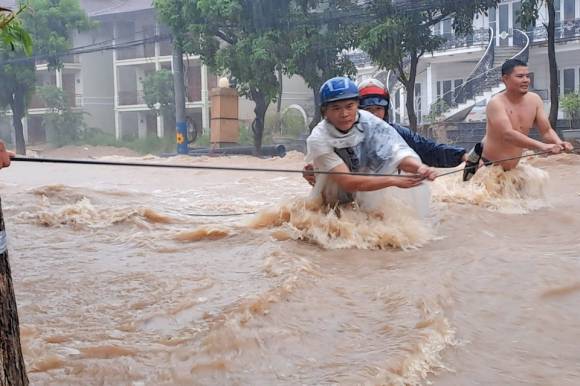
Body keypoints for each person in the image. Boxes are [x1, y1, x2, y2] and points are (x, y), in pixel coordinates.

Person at [304, 79, 468, 186]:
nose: (374, 115)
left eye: (378, 109)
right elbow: (345, 180)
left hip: (379, 196)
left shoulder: (391, 132)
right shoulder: (322, 137)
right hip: (343, 197)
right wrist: (317, 169)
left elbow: (427, 149)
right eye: (368, 109)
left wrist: (461, 156)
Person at [304, 76, 437, 209]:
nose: (344, 114)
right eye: (336, 108)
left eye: (349, 106)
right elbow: (348, 182)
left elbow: (394, 153)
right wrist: (392, 180)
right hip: (330, 205)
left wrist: (420, 168)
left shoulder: (369, 123)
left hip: (366, 199)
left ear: (357, 105)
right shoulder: (318, 138)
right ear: (324, 111)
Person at [463, 59, 574, 181]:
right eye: (520, 76)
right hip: (485, 166)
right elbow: (508, 135)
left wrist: (558, 142)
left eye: (527, 76)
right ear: (505, 79)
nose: (525, 80)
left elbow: (547, 131)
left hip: (512, 171)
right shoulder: (496, 103)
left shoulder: (535, 100)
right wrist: (543, 146)